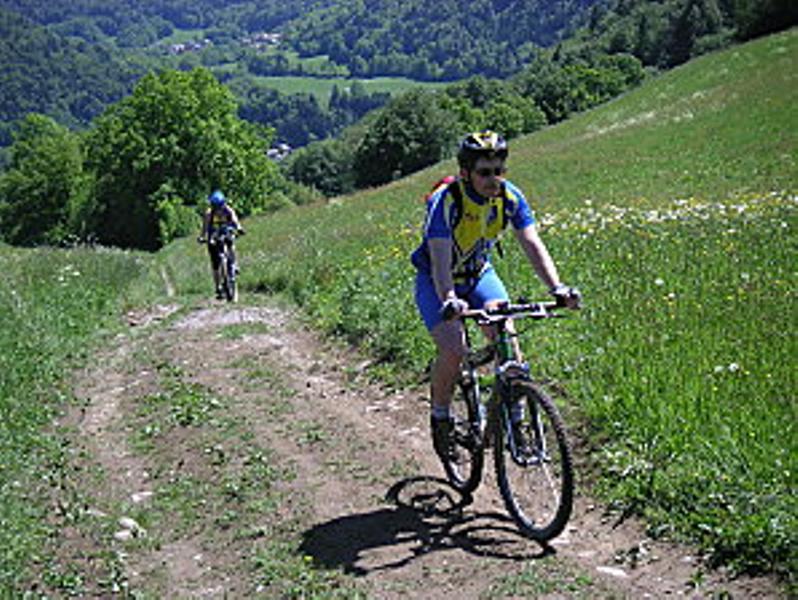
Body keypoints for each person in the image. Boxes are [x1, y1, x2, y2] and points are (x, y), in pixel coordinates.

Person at [410, 130, 581, 460]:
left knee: (507, 339)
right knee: (454, 348)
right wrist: (448, 298)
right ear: (465, 173)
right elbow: (441, 260)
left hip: (478, 276)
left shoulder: (509, 197)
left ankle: (516, 422)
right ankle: (441, 417)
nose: (493, 179)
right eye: (484, 172)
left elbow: (532, 242)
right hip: (437, 281)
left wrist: (557, 288)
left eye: (499, 170)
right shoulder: (447, 202)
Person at [198, 190, 244, 299]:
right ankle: (218, 287)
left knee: (231, 245)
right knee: (215, 264)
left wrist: (239, 228)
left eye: (220, 205)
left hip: (226, 232)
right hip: (214, 237)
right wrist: (202, 237)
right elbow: (205, 227)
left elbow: (235, 219)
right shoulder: (209, 213)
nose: (218, 208)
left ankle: (235, 264)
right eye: (216, 206)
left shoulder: (228, 210)